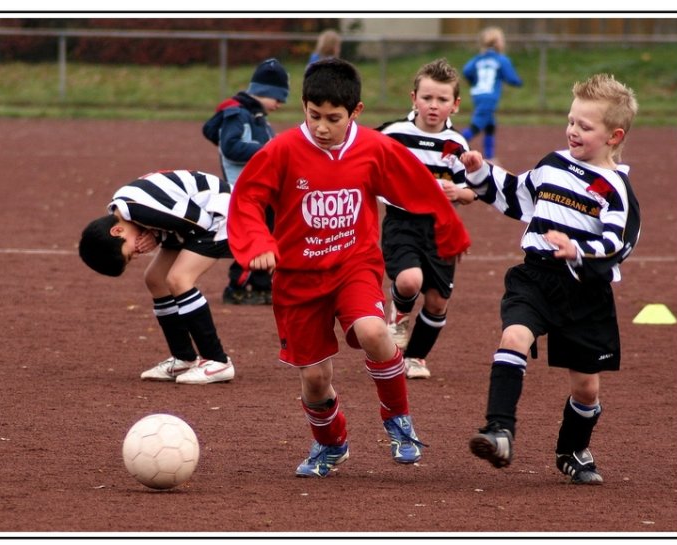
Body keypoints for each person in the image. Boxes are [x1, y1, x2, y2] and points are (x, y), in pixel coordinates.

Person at [226, 58, 471, 477]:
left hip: (353, 264)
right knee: (316, 379)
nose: (322, 127)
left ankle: (398, 421)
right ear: (303, 106)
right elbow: (246, 199)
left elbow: (417, 186)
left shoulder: (374, 148)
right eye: (314, 115)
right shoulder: (281, 151)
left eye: (333, 118)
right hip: (298, 279)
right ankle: (331, 443)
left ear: (355, 112)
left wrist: (450, 232)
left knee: (375, 331)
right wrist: (258, 243)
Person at [460, 74, 640, 484]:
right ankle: (499, 430)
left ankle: (572, 449)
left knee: (587, 390)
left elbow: (619, 243)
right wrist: (480, 172)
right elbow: (515, 194)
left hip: (584, 290)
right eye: (571, 121)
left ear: (614, 136)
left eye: (585, 126)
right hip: (535, 277)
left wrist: (578, 250)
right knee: (513, 338)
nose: (573, 130)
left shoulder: (615, 189)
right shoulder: (552, 164)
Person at [78, 169, 236, 385]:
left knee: (179, 278)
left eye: (130, 253)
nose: (137, 254)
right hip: (192, 222)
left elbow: (199, 222)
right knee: (155, 279)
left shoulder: (143, 211)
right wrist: (157, 234)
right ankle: (184, 358)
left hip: (222, 214)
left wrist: (157, 235)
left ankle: (217, 361)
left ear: (117, 232)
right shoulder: (123, 209)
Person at [376, 58, 477, 380]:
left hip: (441, 228)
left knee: (437, 301)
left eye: (442, 100)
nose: (433, 106)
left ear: (455, 105)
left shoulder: (457, 145)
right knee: (409, 281)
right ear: (414, 98)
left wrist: (457, 193)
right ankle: (400, 314)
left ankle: (415, 357)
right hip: (402, 222)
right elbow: (363, 158)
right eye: (427, 98)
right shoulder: (393, 134)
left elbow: (473, 190)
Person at [202, 58, 290, 306]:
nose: (280, 105)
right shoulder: (238, 114)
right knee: (253, 238)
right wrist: (268, 148)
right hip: (246, 192)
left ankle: (262, 284)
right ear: (264, 92)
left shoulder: (257, 116)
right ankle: (237, 285)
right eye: (278, 98)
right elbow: (231, 147)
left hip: (265, 191)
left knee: (269, 236)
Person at [461, 26, 523, 162]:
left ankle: (489, 156)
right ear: (497, 43)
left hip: (477, 94)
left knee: (490, 125)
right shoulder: (501, 59)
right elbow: (512, 78)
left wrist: (474, 81)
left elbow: (466, 70)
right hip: (489, 97)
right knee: (477, 125)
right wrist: (518, 82)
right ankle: (455, 143)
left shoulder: (478, 59)